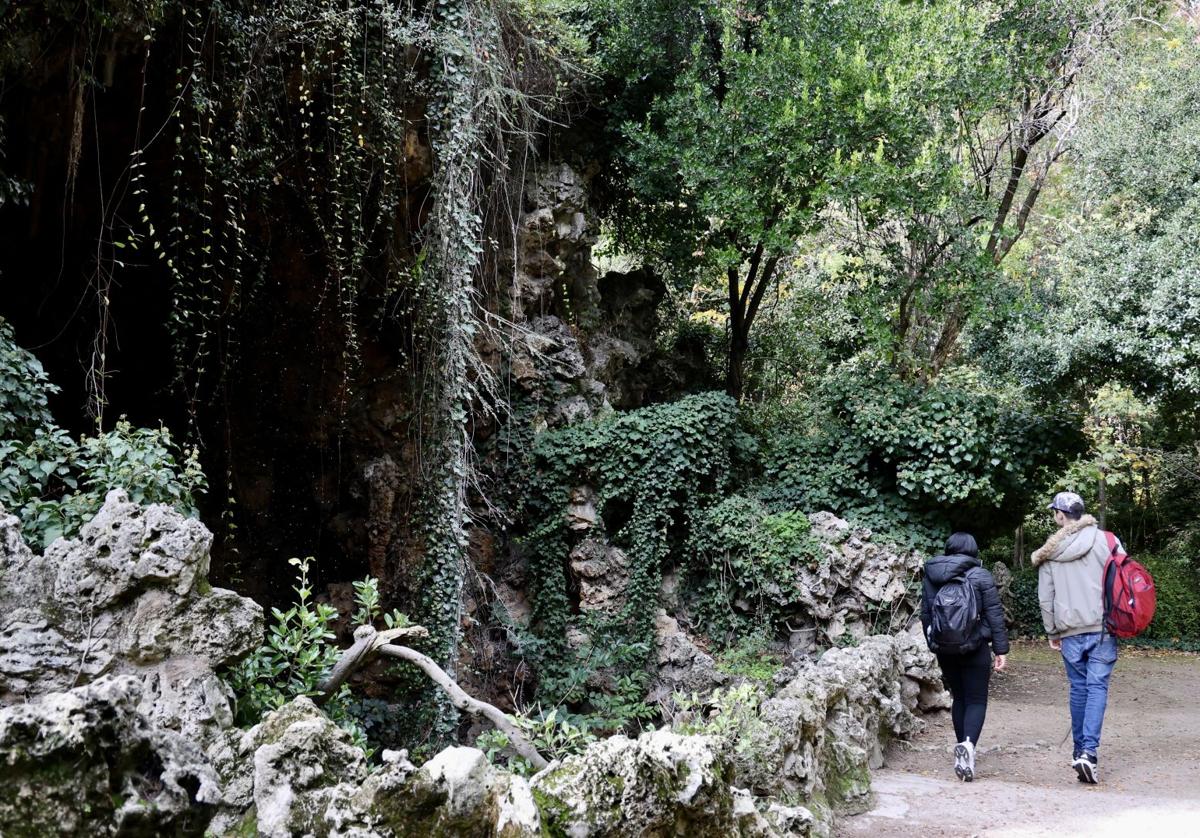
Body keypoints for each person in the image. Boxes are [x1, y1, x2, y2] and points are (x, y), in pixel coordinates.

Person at [1032, 490, 1118, 785]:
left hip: (1069, 632)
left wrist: (1052, 632)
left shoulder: (1049, 552)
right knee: (1097, 688)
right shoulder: (1107, 541)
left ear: (1060, 514)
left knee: (1079, 689)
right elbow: (1122, 579)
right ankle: (1089, 755)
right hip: (1103, 627)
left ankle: (1079, 750)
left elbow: (1046, 598)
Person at [920, 532, 1009, 782]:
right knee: (976, 700)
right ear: (972, 549)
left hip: (944, 649)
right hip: (975, 646)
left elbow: (925, 613)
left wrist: (933, 644)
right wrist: (1000, 649)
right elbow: (995, 615)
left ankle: (961, 748)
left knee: (959, 698)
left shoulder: (931, 575)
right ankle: (968, 746)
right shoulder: (981, 575)